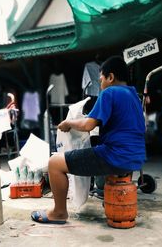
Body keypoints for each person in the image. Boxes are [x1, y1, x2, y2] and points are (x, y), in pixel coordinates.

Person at [31, 55, 146, 224]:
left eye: (101, 79)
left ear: (110, 77)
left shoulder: (109, 92)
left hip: (116, 156)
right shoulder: (134, 95)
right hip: (136, 158)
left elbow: (87, 125)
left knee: (54, 163)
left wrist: (68, 122)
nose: (100, 84)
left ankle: (59, 212)